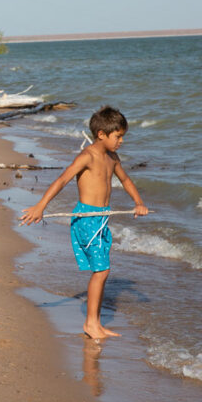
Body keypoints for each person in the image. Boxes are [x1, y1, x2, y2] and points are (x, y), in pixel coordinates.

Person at [18, 106, 148, 340]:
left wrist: (138, 201)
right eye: (118, 136)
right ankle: (91, 324)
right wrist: (40, 206)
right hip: (87, 219)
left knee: (102, 270)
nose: (121, 141)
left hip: (102, 219)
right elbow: (63, 179)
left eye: (122, 137)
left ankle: (95, 323)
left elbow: (126, 180)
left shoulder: (113, 158)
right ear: (101, 134)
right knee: (102, 270)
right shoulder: (87, 156)